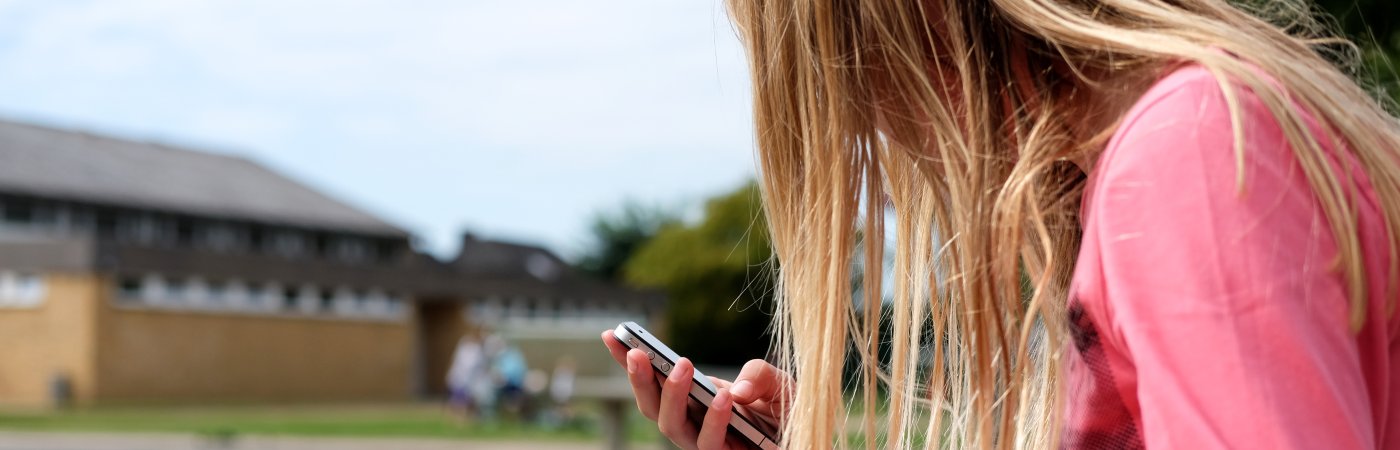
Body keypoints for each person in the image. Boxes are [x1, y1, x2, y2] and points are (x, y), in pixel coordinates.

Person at [603, 0, 1400, 448]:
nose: (868, 135)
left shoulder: (1184, 159)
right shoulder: (1158, 162)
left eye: (852, 97)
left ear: (907, 40)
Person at [445, 334, 483, 422]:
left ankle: (466, 418)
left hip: (469, 381)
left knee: (468, 400)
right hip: (460, 379)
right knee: (458, 400)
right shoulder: (463, 351)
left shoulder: (475, 351)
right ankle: (457, 418)